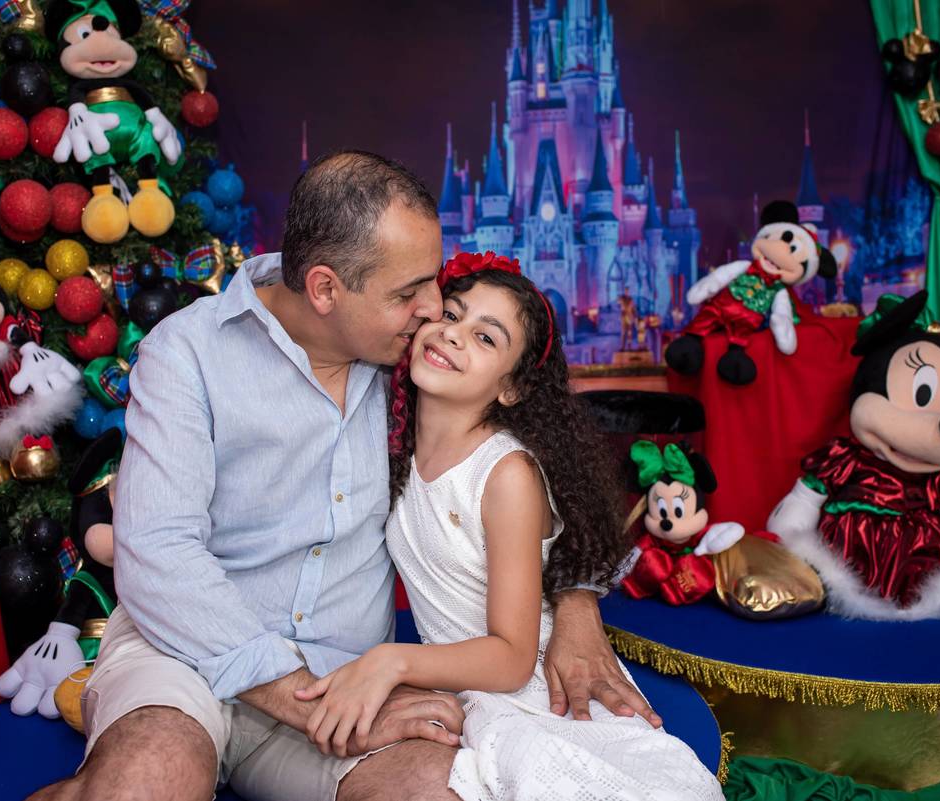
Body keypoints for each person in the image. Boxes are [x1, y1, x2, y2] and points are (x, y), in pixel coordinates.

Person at [28, 152, 661, 801]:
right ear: (326, 290)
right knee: (149, 780)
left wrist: (576, 605)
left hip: (345, 677)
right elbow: (158, 552)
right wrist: (299, 697)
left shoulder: (416, 368)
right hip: (183, 661)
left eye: (435, 283)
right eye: (409, 294)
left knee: (441, 790)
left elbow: (539, 466)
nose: (434, 308)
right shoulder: (187, 352)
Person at [293, 252, 723, 800]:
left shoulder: (505, 475)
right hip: (459, 685)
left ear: (512, 388)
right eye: (451, 314)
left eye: (485, 337)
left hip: (525, 695)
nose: (453, 334)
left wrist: (392, 661)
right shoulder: (393, 437)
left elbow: (514, 659)